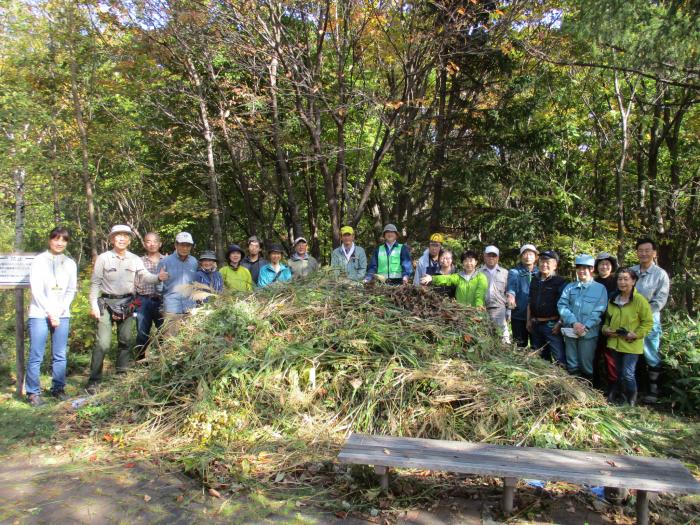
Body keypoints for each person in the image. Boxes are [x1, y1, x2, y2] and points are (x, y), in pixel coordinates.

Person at [88, 225, 167, 393]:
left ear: (129, 240)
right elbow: (95, 282)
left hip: (128, 303)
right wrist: (93, 304)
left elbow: (145, 276)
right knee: (103, 343)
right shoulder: (104, 258)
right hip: (106, 304)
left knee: (125, 341)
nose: (121, 239)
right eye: (118, 236)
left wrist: (158, 278)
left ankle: (121, 375)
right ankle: (94, 381)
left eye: (125, 236)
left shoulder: (134, 259)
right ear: (111, 239)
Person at [25, 227, 78, 405]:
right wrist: (50, 311)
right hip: (39, 313)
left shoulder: (70, 263)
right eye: (56, 239)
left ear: (67, 243)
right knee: (36, 354)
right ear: (50, 240)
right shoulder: (39, 261)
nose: (59, 243)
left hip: (62, 314)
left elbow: (71, 290)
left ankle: (58, 388)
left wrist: (61, 310)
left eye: (63, 240)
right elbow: (36, 289)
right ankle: (33, 392)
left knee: (60, 354)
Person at [601, 268, 654, 406]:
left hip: (631, 343)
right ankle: (621, 397)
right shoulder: (613, 298)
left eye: (626, 279)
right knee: (618, 372)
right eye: (619, 279)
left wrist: (636, 334)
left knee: (627, 373)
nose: (622, 282)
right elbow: (607, 320)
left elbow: (647, 322)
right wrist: (605, 329)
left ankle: (632, 399)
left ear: (633, 281)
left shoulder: (639, 300)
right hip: (614, 342)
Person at [630, 238, 670, 403]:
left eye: (647, 250)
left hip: (650, 321)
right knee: (633, 355)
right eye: (641, 250)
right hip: (629, 320)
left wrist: (643, 315)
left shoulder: (660, 274)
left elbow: (660, 300)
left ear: (654, 253)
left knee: (650, 354)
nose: (644, 253)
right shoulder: (631, 271)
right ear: (637, 252)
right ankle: (637, 390)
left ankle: (654, 390)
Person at [558, 254, 608, 380]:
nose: (581, 271)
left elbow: (599, 311)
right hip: (571, 331)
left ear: (591, 269)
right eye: (579, 268)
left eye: (585, 268)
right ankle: (574, 393)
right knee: (572, 364)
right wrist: (574, 323)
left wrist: (586, 326)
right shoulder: (570, 287)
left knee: (587, 365)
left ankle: (589, 393)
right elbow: (562, 305)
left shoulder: (600, 288)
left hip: (588, 334)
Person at [527, 250, 567, 364]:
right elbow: (530, 301)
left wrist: (560, 323)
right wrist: (528, 320)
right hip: (535, 324)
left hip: (552, 325)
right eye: (542, 261)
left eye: (548, 262)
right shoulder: (535, 279)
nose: (544, 264)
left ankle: (564, 380)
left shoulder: (560, 282)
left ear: (555, 265)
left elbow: (565, 305)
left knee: (559, 357)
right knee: (540, 358)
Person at [157, 232, 198, 337]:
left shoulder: (194, 262)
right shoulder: (165, 262)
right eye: (182, 245)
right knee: (171, 341)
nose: (185, 248)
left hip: (190, 307)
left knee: (189, 340)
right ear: (176, 245)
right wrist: (159, 281)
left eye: (188, 245)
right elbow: (158, 287)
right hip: (172, 308)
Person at [134, 232, 164, 361]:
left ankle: (162, 359)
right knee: (142, 332)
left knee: (164, 331)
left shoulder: (167, 260)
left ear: (160, 243)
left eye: (155, 241)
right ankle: (141, 360)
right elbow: (133, 281)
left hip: (162, 301)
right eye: (148, 241)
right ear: (144, 244)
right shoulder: (138, 261)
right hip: (142, 299)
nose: (152, 244)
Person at [421, 250, 487, 307]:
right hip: (461, 313)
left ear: (476, 262)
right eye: (466, 261)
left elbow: (480, 295)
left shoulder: (481, 277)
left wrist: (478, 309)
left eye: (471, 260)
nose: (468, 263)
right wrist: (432, 278)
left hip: (476, 313)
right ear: (463, 263)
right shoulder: (459, 276)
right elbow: (447, 279)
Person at [594, 252, 619, 391]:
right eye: (601, 264)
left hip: (611, 323)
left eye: (607, 264)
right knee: (594, 355)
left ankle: (613, 387)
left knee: (611, 357)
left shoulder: (617, 281)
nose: (604, 267)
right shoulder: (592, 282)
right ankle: (595, 384)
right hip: (594, 323)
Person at [507, 244, 539, 347]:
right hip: (519, 315)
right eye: (525, 254)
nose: (528, 256)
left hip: (536, 316)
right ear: (521, 257)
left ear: (536, 257)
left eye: (531, 254)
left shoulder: (540, 272)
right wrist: (511, 297)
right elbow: (511, 288)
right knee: (519, 347)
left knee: (537, 348)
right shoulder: (514, 272)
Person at [480, 245, 510, 343]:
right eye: (489, 255)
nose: (491, 258)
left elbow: (509, 292)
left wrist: (509, 310)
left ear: (498, 257)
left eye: (494, 255)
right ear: (484, 256)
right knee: (485, 338)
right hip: (482, 310)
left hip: (500, 309)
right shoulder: (478, 272)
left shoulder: (505, 273)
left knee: (503, 339)